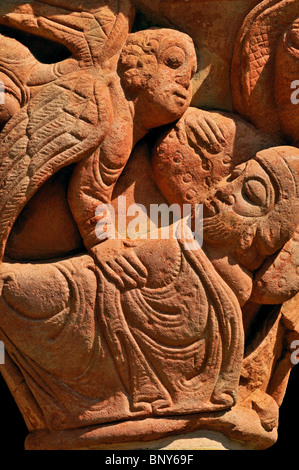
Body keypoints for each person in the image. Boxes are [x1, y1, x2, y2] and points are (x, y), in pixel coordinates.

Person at [0, 146, 298, 445]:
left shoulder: (208, 268)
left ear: (268, 231)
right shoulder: (178, 246)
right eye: (233, 176)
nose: (225, 189)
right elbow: (94, 281)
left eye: (251, 194)